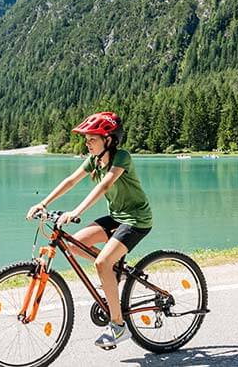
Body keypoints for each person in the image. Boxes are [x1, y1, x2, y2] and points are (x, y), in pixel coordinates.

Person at [26, 112, 153, 350]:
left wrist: (76, 211)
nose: (87, 143)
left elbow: (105, 185)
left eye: (91, 139)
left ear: (108, 139)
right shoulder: (94, 160)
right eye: (86, 139)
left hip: (136, 220)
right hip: (116, 218)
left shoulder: (121, 157)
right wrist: (44, 203)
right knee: (73, 245)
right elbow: (71, 180)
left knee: (101, 264)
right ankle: (116, 269)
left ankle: (118, 326)